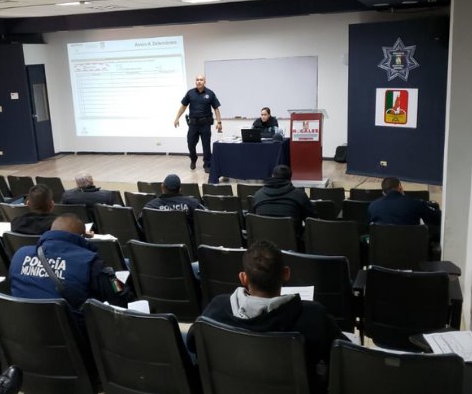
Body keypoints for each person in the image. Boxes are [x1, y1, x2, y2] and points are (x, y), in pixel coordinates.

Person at [187, 240, 348, 393]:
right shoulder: (314, 316)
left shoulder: (216, 309)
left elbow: (193, 344)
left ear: (243, 278)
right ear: (286, 274)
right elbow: (345, 357)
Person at [9, 214, 119, 313]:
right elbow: (119, 295)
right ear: (82, 237)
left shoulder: (20, 254)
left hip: (24, 328)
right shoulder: (91, 262)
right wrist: (113, 278)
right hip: (75, 332)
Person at [173, 74, 222, 173]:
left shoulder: (210, 93)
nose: (199, 81)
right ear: (195, 81)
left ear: (205, 81)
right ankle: (193, 159)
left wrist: (219, 122)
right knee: (190, 143)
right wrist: (177, 118)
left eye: (201, 80)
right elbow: (183, 106)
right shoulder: (190, 93)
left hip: (205, 124)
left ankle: (207, 164)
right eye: (197, 80)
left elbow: (216, 108)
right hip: (193, 124)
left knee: (206, 145)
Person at [251, 164, 316, 235]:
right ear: (290, 178)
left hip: (263, 242)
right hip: (293, 243)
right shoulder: (300, 195)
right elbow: (312, 221)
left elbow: (253, 220)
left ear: (272, 176)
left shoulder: (257, 195)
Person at [140, 174, 205, 230]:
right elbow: (206, 221)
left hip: (158, 243)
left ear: (162, 187)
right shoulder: (192, 203)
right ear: (180, 189)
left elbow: (141, 225)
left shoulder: (150, 206)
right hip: (187, 243)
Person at [368, 177, 441, 226]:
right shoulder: (415, 204)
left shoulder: (373, 206)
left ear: (383, 193)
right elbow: (436, 219)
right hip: (412, 246)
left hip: (382, 247)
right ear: (400, 187)